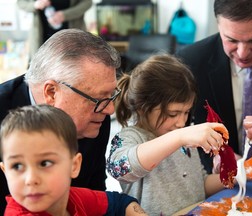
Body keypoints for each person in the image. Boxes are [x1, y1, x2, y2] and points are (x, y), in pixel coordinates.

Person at [0, 28, 121, 215]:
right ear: (51, 92)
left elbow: (95, 192)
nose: (109, 109)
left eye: (110, 95)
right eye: (98, 98)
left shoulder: (95, 116)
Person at [106, 54, 231, 215]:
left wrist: (237, 174)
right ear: (143, 108)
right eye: (173, 114)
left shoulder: (182, 138)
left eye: (186, 112)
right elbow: (119, 169)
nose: (181, 122)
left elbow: (201, 184)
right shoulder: (131, 137)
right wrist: (180, 137)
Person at [176, 0, 252, 179]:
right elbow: (178, 130)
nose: (243, 53)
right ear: (218, 25)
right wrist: (216, 155)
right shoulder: (191, 62)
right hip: (226, 186)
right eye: (231, 40)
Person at [0, 104, 147, 215]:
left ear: (74, 165)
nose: (30, 179)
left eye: (44, 163)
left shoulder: (72, 196)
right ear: (5, 171)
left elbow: (119, 203)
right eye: (17, 166)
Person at [17, 0, 92, 58]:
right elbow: (20, 2)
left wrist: (65, 15)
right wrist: (34, 5)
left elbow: (87, 3)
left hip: (72, 36)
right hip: (42, 37)